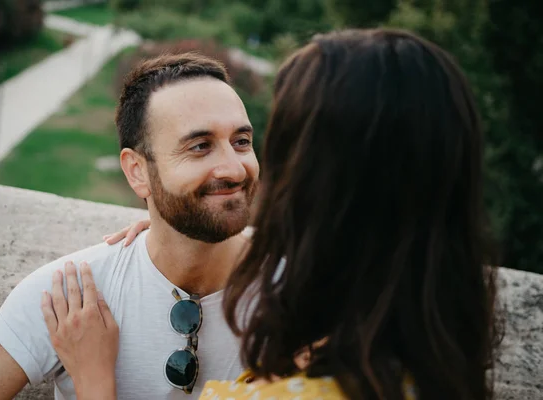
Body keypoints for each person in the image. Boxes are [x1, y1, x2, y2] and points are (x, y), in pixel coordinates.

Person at [41, 28, 502, 400]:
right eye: (199, 146)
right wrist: (175, 222)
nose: (238, 166)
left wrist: (95, 382)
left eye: (249, 141)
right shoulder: (440, 355)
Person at [0, 53, 259, 399]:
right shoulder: (71, 299)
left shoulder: (298, 288)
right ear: (137, 171)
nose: (234, 169)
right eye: (200, 147)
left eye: (241, 141)